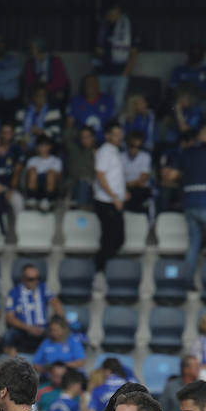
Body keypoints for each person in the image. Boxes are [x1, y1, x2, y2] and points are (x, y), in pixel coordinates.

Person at [170, 125, 206, 278]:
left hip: (189, 203)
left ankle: (187, 281)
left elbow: (172, 175)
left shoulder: (186, 151)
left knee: (194, 244)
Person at [6, 262, 64, 354]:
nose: (35, 281)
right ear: (23, 279)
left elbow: (56, 303)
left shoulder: (43, 288)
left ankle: (58, 360)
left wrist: (58, 321)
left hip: (43, 329)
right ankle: (14, 361)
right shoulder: (14, 292)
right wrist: (28, 328)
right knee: (8, 336)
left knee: (58, 331)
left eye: (38, 278)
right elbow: (9, 318)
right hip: (23, 329)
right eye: (31, 279)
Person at [92, 121, 126, 280]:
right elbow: (100, 175)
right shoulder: (105, 151)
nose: (119, 137)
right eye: (116, 134)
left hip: (114, 199)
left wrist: (123, 193)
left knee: (117, 238)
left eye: (120, 134)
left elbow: (114, 177)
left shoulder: (115, 151)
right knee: (111, 238)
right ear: (107, 136)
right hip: (106, 201)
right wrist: (114, 196)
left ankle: (103, 270)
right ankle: (99, 272)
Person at [19, 83, 63, 155]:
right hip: (25, 146)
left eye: (43, 95)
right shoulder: (22, 111)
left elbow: (56, 132)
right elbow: (18, 131)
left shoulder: (53, 111)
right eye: (37, 95)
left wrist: (41, 132)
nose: (40, 98)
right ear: (32, 96)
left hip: (48, 146)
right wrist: (22, 142)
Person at [70, 75, 116, 144]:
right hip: (82, 142)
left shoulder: (107, 99)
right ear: (83, 86)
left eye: (93, 83)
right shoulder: (76, 100)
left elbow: (112, 123)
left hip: (103, 142)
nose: (90, 86)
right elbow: (69, 125)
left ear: (98, 85)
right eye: (87, 83)